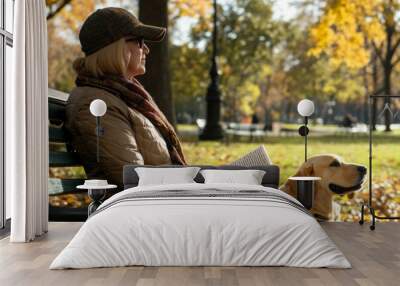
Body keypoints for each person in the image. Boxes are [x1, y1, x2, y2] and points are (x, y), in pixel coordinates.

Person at [65, 7, 186, 189]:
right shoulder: (96, 104)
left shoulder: (123, 95)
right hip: (147, 206)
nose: (146, 49)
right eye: (139, 41)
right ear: (116, 48)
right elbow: (131, 178)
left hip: (165, 196)